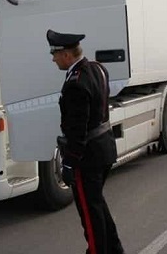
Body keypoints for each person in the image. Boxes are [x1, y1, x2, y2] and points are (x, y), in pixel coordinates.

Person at [47, 29, 124, 254]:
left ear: (67, 56)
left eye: (55, 55)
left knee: (90, 216)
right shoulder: (98, 69)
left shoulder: (75, 83)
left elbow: (77, 130)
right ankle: (115, 250)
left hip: (87, 158)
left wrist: (70, 163)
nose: (53, 59)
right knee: (97, 206)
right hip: (105, 149)